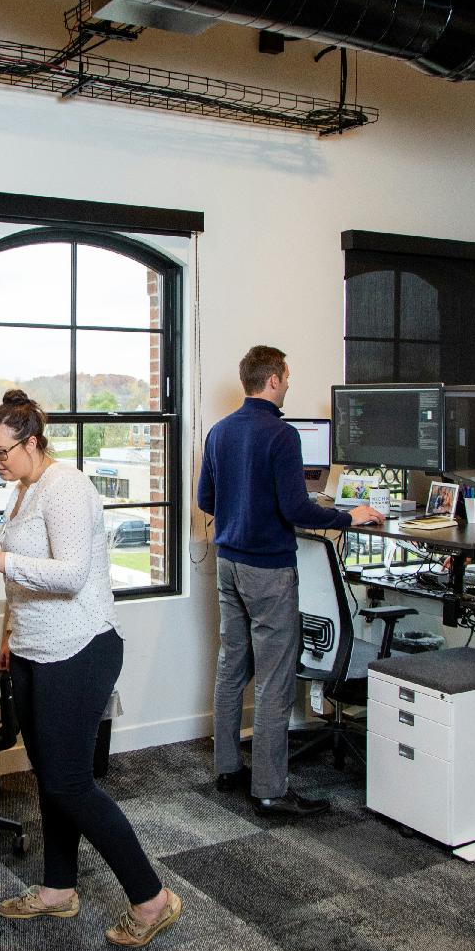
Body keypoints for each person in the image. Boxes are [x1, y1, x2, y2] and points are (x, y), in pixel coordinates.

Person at [0, 389, 181, 949]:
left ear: (32, 442)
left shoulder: (67, 487)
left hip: (80, 649)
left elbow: (72, 574)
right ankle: (59, 888)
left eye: (1, 451)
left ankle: (153, 897)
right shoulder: (26, 488)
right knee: (50, 776)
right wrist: (10, 633)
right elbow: (26, 583)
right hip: (35, 649)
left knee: (70, 782)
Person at [198, 346, 384, 818]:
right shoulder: (280, 434)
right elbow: (296, 510)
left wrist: (245, 505)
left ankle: (227, 769)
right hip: (267, 569)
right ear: (276, 379)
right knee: (275, 678)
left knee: (231, 666)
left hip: (229, 563)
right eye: (289, 375)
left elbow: (206, 499)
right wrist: (347, 516)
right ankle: (270, 790)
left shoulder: (220, 432)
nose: (290, 382)